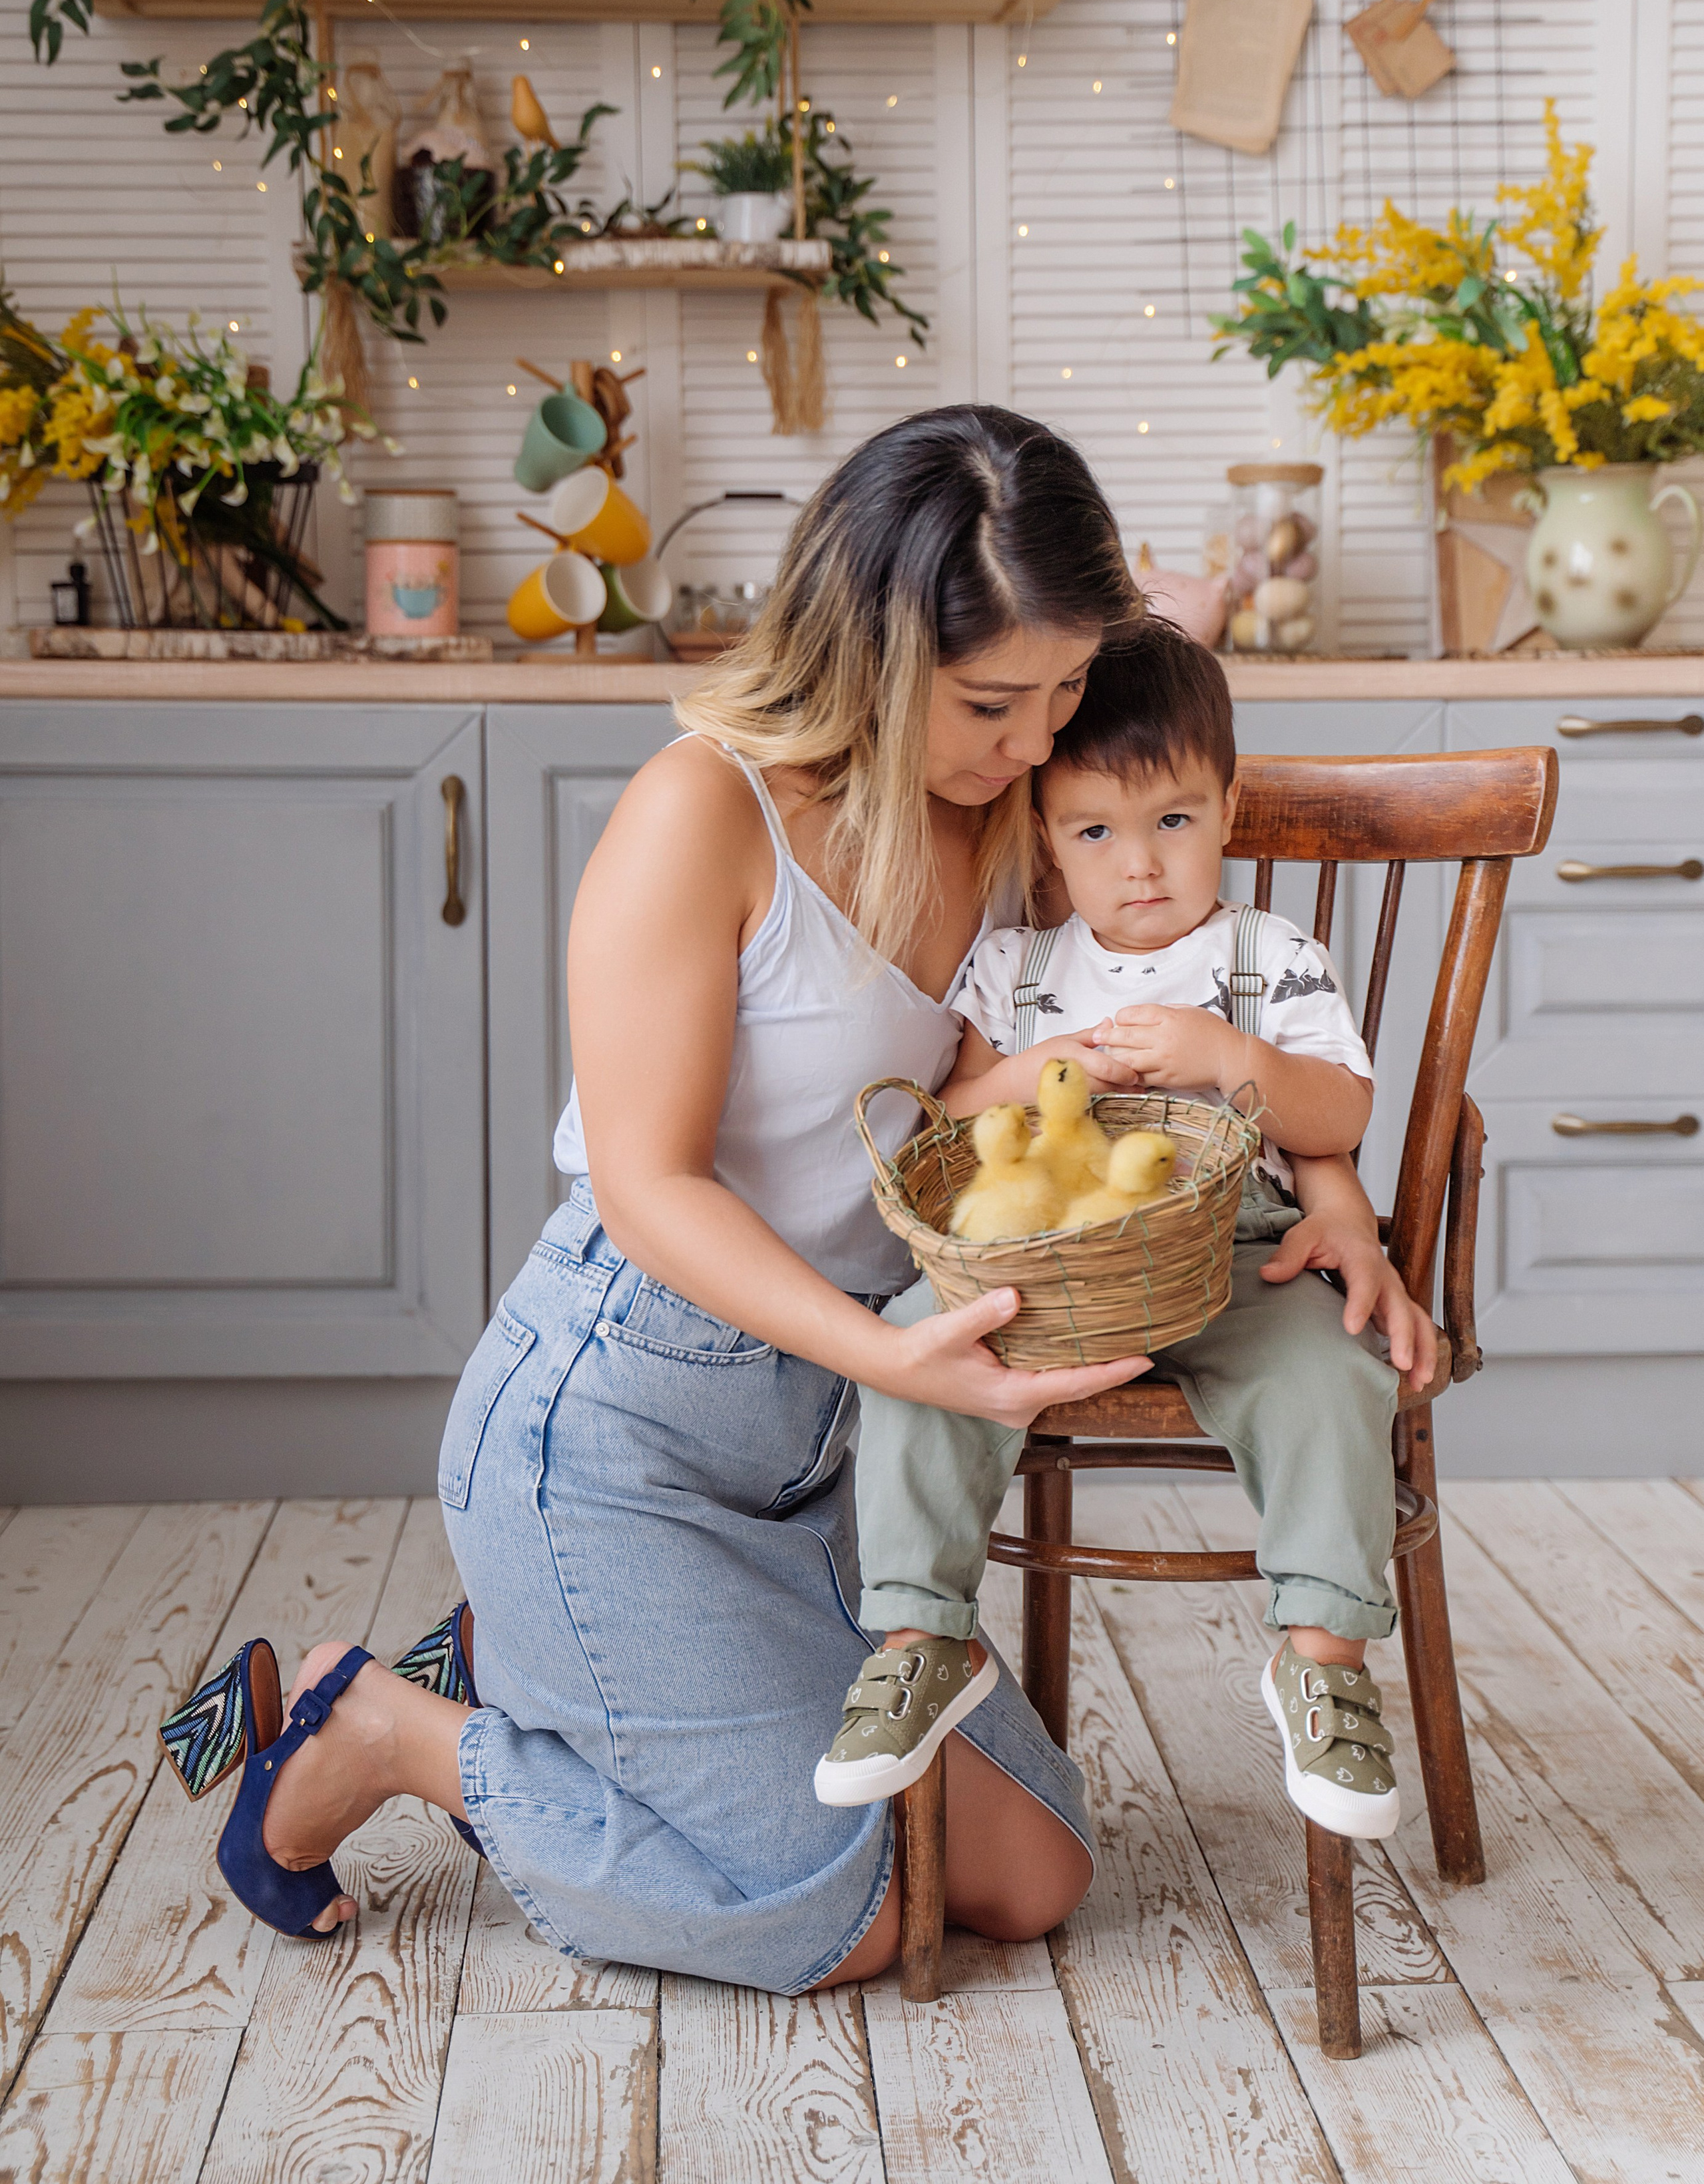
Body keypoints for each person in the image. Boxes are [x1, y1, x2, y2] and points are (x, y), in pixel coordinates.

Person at [157, 404, 1152, 1984]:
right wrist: (888, 1354)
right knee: (854, 1918)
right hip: (611, 1435)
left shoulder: (993, 815)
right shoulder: (705, 811)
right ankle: (399, 1732)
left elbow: (954, 1097)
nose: (1036, 744)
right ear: (876, 650)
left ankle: (522, 1661)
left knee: (1028, 1876)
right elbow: (645, 1186)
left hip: (811, 1460)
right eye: (990, 701)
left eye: (1066, 690)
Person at [814, 620, 1436, 1843]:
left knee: (1325, 1371)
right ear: (1045, 840)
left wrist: (1230, 1055)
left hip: (1233, 1254)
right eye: (1095, 831)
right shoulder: (1021, 968)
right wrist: (1034, 1073)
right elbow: (944, 1119)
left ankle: (1322, 1658)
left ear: (1226, 807)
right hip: (1047, 1257)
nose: (1139, 867)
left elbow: (1340, 1111)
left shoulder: (1269, 956)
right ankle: (919, 1639)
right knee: (913, 1351)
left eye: (1173, 822)